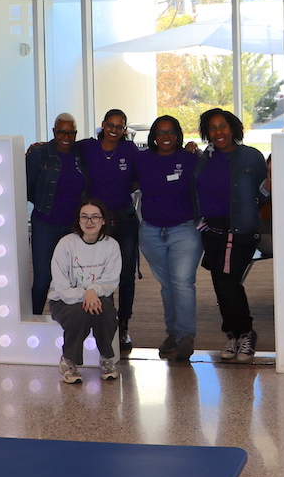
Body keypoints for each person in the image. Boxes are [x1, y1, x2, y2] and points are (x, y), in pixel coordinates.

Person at [193, 108, 269, 363]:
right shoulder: (206, 157)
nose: (218, 132)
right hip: (212, 231)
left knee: (228, 283)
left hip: (240, 231)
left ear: (233, 128)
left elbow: (265, 193)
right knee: (220, 285)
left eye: (222, 126)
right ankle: (233, 335)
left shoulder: (251, 157)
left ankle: (245, 332)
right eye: (212, 128)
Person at [136, 115, 202, 362]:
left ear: (178, 135)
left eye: (170, 132)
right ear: (153, 136)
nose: (165, 137)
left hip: (184, 230)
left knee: (183, 283)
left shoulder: (190, 160)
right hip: (151, 231)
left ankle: (186, 336)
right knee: (167, 285)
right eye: (160, 133)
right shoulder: (141, 159)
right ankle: (173, 333)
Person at [75, 109, 141, 354]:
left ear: (124, 129)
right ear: (103, 125)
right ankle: (102, 324)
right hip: (96, 223)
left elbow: (137, 179)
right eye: (110, 125)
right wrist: (39, 146)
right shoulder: (87, 147)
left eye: (120, 126)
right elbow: (62, 144)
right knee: (97, 276)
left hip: (124, 220)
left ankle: (122, 326)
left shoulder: (130, 151)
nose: (114, 130)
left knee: (125, 276)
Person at [49, 198, 122, 383]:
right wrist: (86, 294)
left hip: (98, 297)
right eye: (85, 217)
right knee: (78, 314)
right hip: (64, 300)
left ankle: (107, 358)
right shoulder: (66, 244)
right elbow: (62, 286)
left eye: (95, 217)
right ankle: (68, 360)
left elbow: (111, 280)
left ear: (103, 220)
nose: (89, 222)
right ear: (79, 220)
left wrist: (92, 292)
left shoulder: (111, 245)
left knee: (105, 311)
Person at [26, 113, 89, 315]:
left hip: (73, 227)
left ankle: (69, 323)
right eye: (61, 131)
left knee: (72, 279)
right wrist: (43, 203)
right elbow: (25, 187)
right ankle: (31, 320)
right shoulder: (39, 154)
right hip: (45, 223)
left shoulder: (81, 155)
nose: (66, 136)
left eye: (70, 132)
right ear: (54, 132)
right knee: (43, 279)